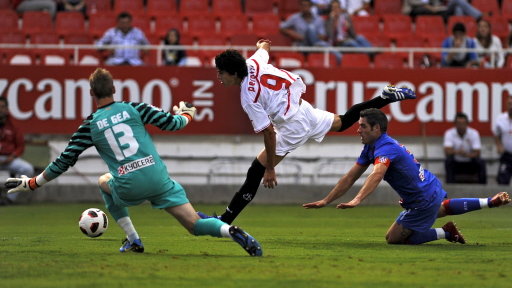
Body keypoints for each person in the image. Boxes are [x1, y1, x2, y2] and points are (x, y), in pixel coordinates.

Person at [4, 68, 262, 256]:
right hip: (159, 179)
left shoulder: (90, 125)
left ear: (92, 93)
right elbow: (174, 123)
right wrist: (187, 113)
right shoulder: (135, 108)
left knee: (103, 181)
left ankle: (134, 239)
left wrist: (33, 183)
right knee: (194, 224)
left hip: (128, 184)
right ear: (114, 89)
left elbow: (64, 160)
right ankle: (232, 231)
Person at [199, 39, 416, 224]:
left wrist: (271, 169)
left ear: (234, 72)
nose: (219, 77)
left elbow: (269, 133)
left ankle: (224, 221)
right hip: (303, 110)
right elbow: (265, 45)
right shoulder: (254, 61)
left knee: (256, 171)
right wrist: (261, 44)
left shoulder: (248, 97)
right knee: (343, 122)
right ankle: (385, 97)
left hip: (292, 126)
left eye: (221, 73)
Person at [303, 108, 510, 245]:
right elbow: (349, 177)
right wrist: (326, 200)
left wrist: (357, 199)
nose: (358, 130)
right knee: (441, 208)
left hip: (422, 198)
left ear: (376, 128)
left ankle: (446, 233)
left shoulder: (385, 147)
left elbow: (376, 175)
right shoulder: (371, 147)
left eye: (363, 126)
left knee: (393, 238)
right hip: (430, 187)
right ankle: (488, 202)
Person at [0, 97, 34, 205]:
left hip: (8, 158)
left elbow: (20, 146)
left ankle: (10, 198)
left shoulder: (13, 126)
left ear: (6, 109)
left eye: (2, 107)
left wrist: (13, 156)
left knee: (27, 169)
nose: (0, 109)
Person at [443, 112, 487, 184]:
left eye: (463, 123)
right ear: (455, 124)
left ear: (467, 124)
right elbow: (447, 151)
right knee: (448, 161)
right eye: (459, 123)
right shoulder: (449, 133)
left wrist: (466, 155)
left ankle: (483, 188)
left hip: (469, 163)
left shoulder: (474, 133)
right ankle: (450, 186)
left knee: (481, 162)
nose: (461, 126)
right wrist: (458, 152)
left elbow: (477, 152)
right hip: (456, 163)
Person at [493, 95, 512, 185]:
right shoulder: (500, 119)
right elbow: (496, 134)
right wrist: (499, 146)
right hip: (507, 156)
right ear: (506, 105)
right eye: (509, 104)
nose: (511, 106)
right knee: (502, 181)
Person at [402, 0, 482, 21]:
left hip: (435, 11)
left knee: (458, 8)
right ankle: (478, 16)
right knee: (458, 1)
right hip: (415, 10)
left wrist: (438, 7)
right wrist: (427, 6)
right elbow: (412, 2)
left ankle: (459, 30)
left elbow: (435, 3)